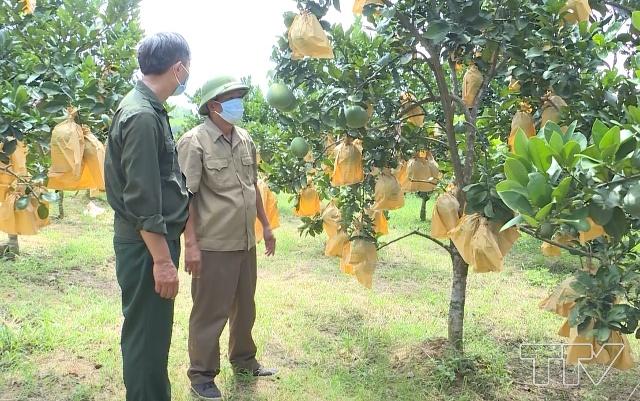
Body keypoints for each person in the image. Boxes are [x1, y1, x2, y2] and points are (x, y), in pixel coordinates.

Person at [104, 32, 198, 401]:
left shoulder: (148, 109)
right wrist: (162, 261)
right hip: (147, 245)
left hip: (151, 241)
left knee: (153, 336)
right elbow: (141, 198)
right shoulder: (142, 115)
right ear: (178, 68)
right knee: (147, 339)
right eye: (188, 68)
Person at [177, 76, 277, 400]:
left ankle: (244, 360)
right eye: (233, 97)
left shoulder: (244, 138)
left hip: (245, 241)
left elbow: (252, 185)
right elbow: (186, 197)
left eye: (240, 97)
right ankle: (202, 375)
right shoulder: (194, 142)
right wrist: (191, 245)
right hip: (214, 244)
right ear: (214, 105)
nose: (239, 104)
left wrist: (265, 225)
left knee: (245, 306)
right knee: (210, 312)